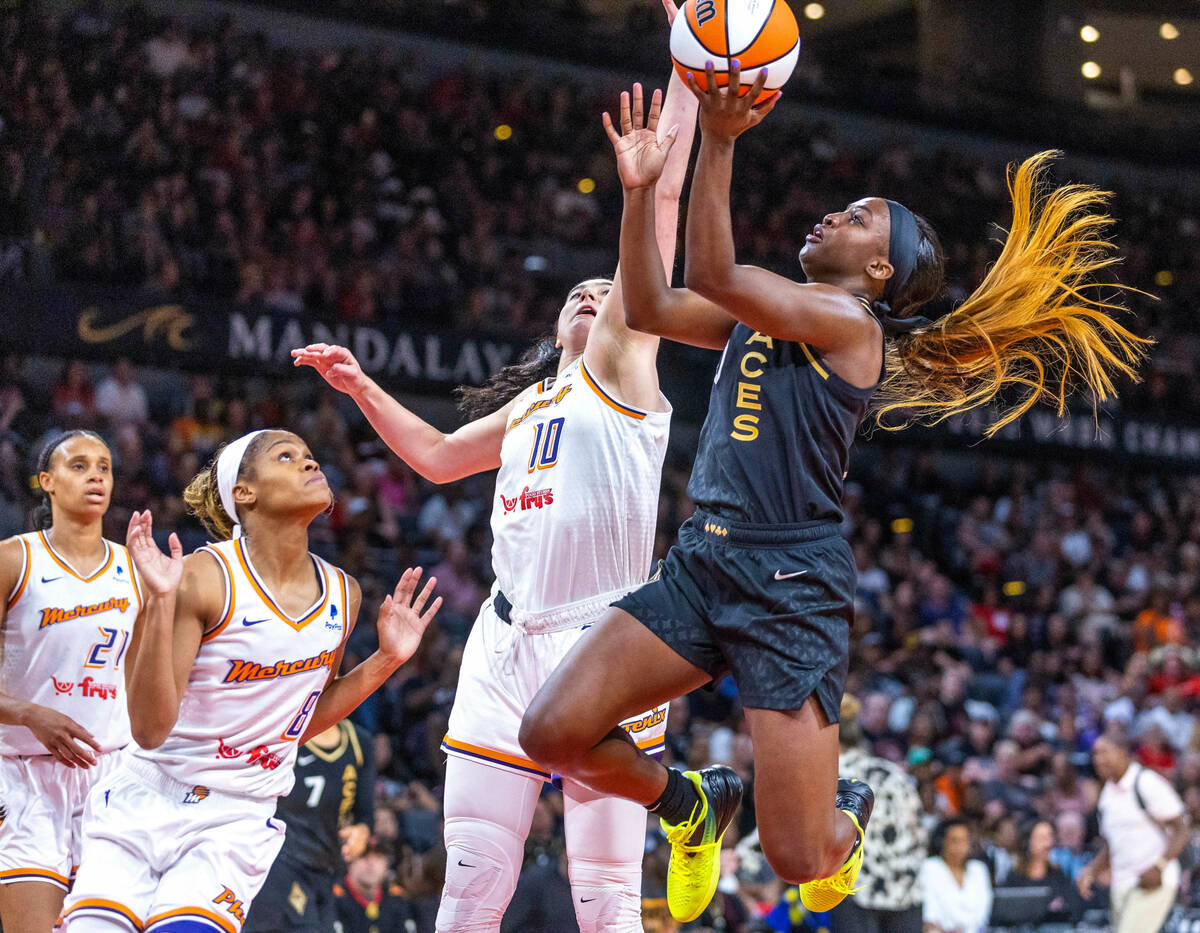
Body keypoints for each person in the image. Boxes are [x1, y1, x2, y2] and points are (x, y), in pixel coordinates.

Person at [518, 60, 1148, 923]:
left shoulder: (848, 324)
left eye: (859, 220)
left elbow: (711, 270)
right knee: (549, 733)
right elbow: (658, 306)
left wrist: (720, 139)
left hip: (791, 585)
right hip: (706, 560)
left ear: (881, 270)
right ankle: (691, 802)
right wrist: (637, 195)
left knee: (797, 858)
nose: (835, 215)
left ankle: (847, 814)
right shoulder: (775, 308)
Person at [293, 9, 699, 929]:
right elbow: (435, 458)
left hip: (609, 645)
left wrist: (685, 70)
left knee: (604, 899)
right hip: (505, 643)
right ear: (556, 328)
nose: (597, 295)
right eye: (579, 294)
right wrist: (361, 388)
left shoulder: (625, 368)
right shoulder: (527, 406)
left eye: (609, 289)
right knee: (474, 884)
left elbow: (662, 208)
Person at [60, 429, 440, 932]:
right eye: (287, 457)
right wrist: (158, 604)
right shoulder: (204, 577)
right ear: (244, 492)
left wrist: (386, 661)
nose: (310, 464)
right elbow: (150, 731)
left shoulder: (342, 595)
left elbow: (296, 724)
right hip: (147, 794)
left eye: (310, 455)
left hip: (234, 818)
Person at [0, 431, 140, 933]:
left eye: (103, 465)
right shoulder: (13, 560)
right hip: (23, 776)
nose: (96, 475)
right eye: (78, 466)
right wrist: (30, 714)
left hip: (111, 776)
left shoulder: (137, 569)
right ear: (47, 482)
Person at [243, 718, 375, 933]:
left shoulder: (360, 742)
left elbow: (366, 814)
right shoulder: (284, 731)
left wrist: (362, 831)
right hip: (279, 862)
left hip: (327, 868)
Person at [829, 695, 926, 933]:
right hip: (905, 893)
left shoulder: (831, 778)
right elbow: (920, 834)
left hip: (856, 893)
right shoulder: (895, 774)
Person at [1078, 732, 1190, 933]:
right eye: (1095, 754)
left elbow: (1182, 830)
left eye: (1104, 753)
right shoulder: (1107, 794)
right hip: (1122, 883)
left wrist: (1159, 866)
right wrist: (1092, 870)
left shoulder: (1146, 782)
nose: (1098, 759)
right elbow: (1113, 844)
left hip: (1153, 882)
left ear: (1122, 753)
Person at [1000, 819, 1083, 924]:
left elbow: (1075, 911)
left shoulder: (1058, 875)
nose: (1048, 843)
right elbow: (1004, 914)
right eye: (1042, 838)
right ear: (1028, 842)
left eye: (1050, 837)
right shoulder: (1015, 877)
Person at [918, 820, 993, 933]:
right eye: (955, 841)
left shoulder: (979, 869)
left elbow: (982, 916)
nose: (960, 847)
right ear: (942, 842)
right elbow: (929, 915)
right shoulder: (930, 867)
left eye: (964, 841)